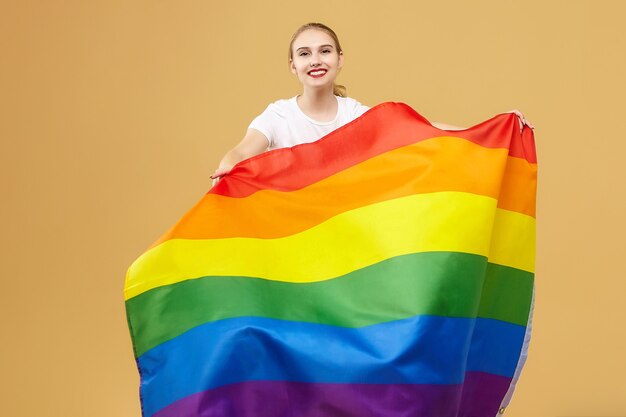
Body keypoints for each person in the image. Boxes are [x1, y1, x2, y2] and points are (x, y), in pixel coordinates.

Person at [210, 22, 534, 187]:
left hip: (344, 229)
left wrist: (487, 129)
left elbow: (421, 129)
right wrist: (225, 170)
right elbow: (244, 150)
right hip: (291, 232)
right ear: (292, 66)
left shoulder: (353, 115)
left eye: (325, 51)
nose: (315, 60)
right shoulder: (279, 115)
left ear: (340, 60)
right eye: (304, 54)